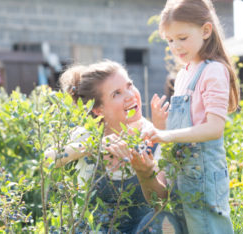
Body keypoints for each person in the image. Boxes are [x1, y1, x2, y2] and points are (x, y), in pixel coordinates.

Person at [44, 60, 183, 233]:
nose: (130, 95)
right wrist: (93, 145)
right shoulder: (88, 135)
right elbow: (46, 160)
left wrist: (146, 173)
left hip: (141, 229)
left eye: (129, 85)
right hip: (94, 230)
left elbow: (160, 202)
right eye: (116, 93)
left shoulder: (155, 133)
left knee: (164, 221)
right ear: (98, 110)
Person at [142, 0, 239, 233]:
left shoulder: (213, 70)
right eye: (170, 40)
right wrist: (162, 124)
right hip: (182, 173)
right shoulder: (184, 74)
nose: (176, 46)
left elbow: (214, 128)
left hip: (204, 175)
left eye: (182, 38)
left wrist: (168, 134)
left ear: (206, 31)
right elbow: (187, 123)